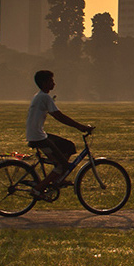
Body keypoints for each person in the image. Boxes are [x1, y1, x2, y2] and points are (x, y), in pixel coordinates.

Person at [26, 70, 93, 198]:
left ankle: (58, 179)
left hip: (38, 134)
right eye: (51, 81)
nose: (54, 84)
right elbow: (59, 116)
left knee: (69, 146)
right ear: (44, 83)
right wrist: (79, 126)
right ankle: (38, 189)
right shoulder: (45, 97)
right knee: (62, 165)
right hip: (38, 137)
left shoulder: (39, 95)